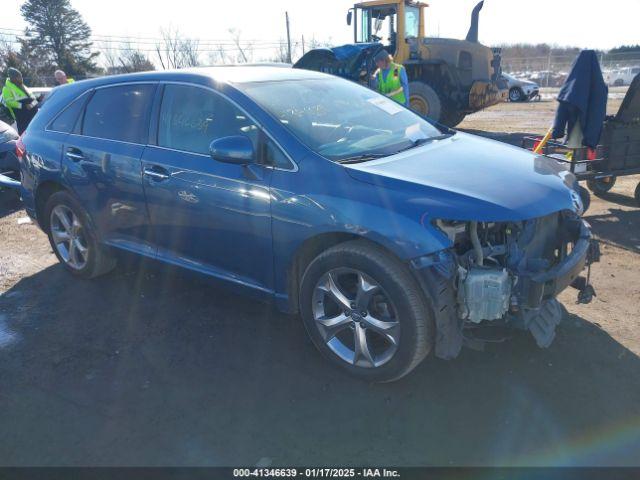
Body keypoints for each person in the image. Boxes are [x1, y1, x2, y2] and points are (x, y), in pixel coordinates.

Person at [2, 68, 38, 134]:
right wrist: (23, 106)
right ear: (12, 78)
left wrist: (36, 101)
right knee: (24, 135)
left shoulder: (23, 86)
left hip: (32, 116)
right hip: (22, 117)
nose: (21, 78)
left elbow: (33, 99)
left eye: (21, 76)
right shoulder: (6, 88)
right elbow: (8, 102)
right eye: (18, 76)